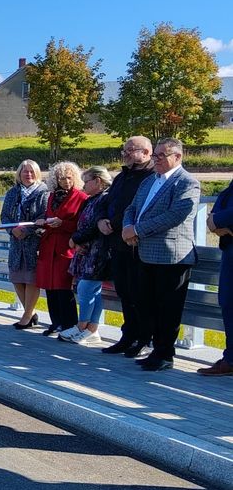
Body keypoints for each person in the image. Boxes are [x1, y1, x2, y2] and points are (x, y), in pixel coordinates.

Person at [122, 138, 200, 372]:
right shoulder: (149, 181)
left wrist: (136, 230)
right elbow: (131, 208)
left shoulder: (187, 183)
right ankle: (155, 349)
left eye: (161, 155)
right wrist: (127, 227)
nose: (155, 159)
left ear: (177, 157)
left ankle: (165, 354)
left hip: (171, 256)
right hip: (145, 253)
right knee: (147, 305)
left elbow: (175, 215)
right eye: (154, 155)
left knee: (168, 308)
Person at [97, 137, 156, 356]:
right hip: (117, 243)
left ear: (147, 152)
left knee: (140, 294)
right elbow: (105, 201)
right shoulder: (122, 176)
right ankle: (128, 336)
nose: (127, 153)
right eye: (125, 150)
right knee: (124, 292)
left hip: (137, 244)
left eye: (132, 150)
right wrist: (101, 219)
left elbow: (137, 207)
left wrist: (113, 223)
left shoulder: (151, 177)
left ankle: (144, 339)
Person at [60, 167, 111, 345]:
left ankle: (83, 327)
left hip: (99, 251)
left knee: (86, 288)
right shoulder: (90, 200)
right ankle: (91, 329)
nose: (83, 185)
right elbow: (81, 223)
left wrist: (76, 239)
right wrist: (79, 241)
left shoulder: (105, 199)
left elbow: (96, 226)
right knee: (91, 290)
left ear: (98, 181)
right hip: (86, 251)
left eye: (86, 181)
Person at [36, 161, 87, 337]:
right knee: (49, 288)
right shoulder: (51, 196)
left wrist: (63, 224)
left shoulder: (81, 197)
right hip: (49, 246)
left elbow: (82, 224)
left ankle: (69, 325)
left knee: (63, 288)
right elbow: (48, 217)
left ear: (75, 178)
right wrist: (43, 222)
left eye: (68, 177)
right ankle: (55, 322)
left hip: (66, 246)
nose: (65, 181)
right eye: (61, 178)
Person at [0, 160, 50, 329]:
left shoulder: (44, 193)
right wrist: (12, 229)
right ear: (19, 173)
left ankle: (26, 316)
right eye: (25, 172)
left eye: (31, 172)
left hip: (34, 242)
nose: (28, 175)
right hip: (16, 242)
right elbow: (5, 215)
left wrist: (27, 231)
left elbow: (45, 215)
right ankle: (31, 313)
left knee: (31, 279)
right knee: (17, 278)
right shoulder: (13, 193)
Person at [200, 178, 233, 376]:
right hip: (229, 249)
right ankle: (230, 358)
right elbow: (222, 200)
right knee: (228, 303)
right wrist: (213, 220)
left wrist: (217, 220)